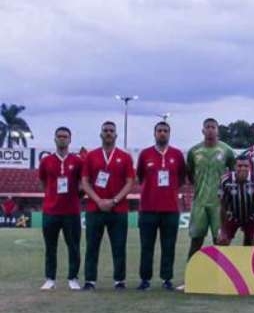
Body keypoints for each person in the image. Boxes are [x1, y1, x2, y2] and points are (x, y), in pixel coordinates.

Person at [81, 121, 135, 290]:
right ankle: (90, 280)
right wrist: (98, 200)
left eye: (111, 131)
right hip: (94, 209)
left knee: (119, 246)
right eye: (105, 130)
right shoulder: (91, 156)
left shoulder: (125, 157)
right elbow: (84, 181)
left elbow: (130, 182)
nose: (108, 133)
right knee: (92, 246)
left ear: (116, 135)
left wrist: (114, 201)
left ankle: (119, 280)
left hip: (118, 209)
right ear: (101, 134)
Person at [135, 121, 186, 291]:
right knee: (146, 246)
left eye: (165, 131)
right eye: (159, 131)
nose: (162, 133)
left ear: (169, 134)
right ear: (154, 133)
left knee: (168, 246)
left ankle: (166, 279)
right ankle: (145, 279)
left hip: (170, 210)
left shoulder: (177, 155)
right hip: (148, 209)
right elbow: (141, 177)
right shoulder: (145, 154)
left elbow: (180, 179)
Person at [38, 126, 83, 291]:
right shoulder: (46, 161)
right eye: (59, 136)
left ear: (70, 140)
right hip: (51, 211)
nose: (62, 138)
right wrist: (51, 196)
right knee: (50, 247)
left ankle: (73, 278)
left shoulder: (77, 161)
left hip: (71, 212)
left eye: (65, 136)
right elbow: (43, 182)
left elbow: (82, 183)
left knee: (74, 246)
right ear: (55, 139)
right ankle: (50, 278)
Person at [186, 118, 236, 258]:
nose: (210, 130)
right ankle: (191, 274)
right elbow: (190, 174)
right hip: (199, 203)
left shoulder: (227, 150)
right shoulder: (194, 151)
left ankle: (222, 276)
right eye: (207, 127)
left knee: (221, 241)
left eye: (213, 127)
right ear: (202, 130)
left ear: (217, 130)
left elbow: (234, 173)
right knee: (196, 241)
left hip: (219, 204)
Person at [216, 156, 254, 246]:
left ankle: (248, 259)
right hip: (231, 217)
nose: (243, 168)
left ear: (250, 167)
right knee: (222, 242)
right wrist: (223, 230)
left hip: (251, 217)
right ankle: (222, 259)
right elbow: (222, 205)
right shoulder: (225, 180)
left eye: (246, 166)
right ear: (234, 167)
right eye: (240, 166)